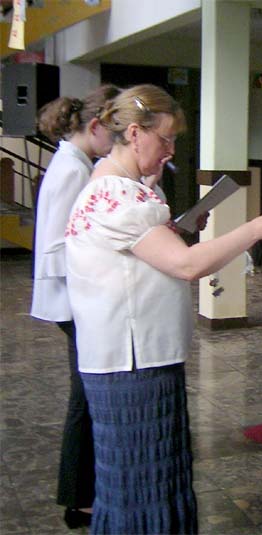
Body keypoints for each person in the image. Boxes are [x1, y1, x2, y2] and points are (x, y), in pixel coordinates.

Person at [64, 84, 262, 533]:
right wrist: (255, 228)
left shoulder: (121, 189)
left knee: (145, 482)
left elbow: (145, 262)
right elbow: (186, 266)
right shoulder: (117, 196)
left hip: (135, 357)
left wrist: (177, 230)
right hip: (133, 363)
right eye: (165, 139)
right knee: (140, 486)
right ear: (134, 133)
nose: (170, 152)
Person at [30, 84, 120, 529]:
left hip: (79, 297)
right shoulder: (71, 168)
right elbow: (56, 246)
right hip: (72, 300)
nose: (118, 144)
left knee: (85, 396)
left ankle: (83, 492)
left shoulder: (77, 163)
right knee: (84, 399)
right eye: (114, 133)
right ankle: (79, 499)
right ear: (96, 126)